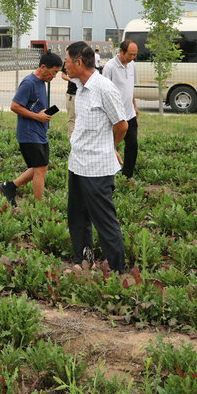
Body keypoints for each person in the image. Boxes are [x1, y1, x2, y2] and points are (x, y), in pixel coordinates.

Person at [64, 42, 128, 273]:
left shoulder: (105, 89)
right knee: (78, 217)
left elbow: (122, 125)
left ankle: (118, 269)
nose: (65, 65)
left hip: (97, 168)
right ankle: (84, 261)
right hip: (78, 164)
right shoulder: (80, 86)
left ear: (79, 63)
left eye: (67, 61)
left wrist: (110, 147)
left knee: (104, 221)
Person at [0, 52, 62, 205]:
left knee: (42, 167)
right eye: (54, 72)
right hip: (28, 133)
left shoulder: (41, 83)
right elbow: (14, 106)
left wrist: (43, 117)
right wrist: (37, 117)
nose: (54, 76)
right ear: (42, 67)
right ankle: (38, 208)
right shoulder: (29, 83)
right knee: (40, 169)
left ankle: (10, 186)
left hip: (40, 132)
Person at [102, 39, 139, 179]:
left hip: (129, 113)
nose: (133, 57)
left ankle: (127, 175)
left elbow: (131, 88)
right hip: (114, 114)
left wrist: (135, 106)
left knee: (132, 145)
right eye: (130, 54)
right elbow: (103, 90)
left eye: (135, 54)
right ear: (121, 51)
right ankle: (107, 173)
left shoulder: (132, 65)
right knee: (110, 144)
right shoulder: (109, 67)